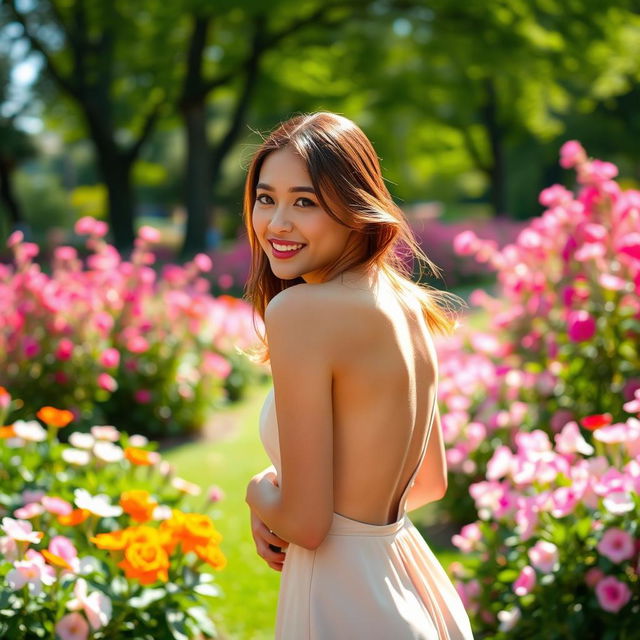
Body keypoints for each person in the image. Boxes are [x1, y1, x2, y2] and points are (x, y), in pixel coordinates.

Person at [244, 112, 473, 639]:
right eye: (265, 198)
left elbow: (306, 522)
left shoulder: (300, 312)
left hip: (344, 603)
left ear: (353, 207)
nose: (277, 223)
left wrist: (260, 492)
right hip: (411, 585)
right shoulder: (408, 303)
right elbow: (430, 482)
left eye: (305, 201)